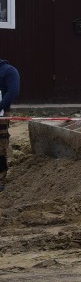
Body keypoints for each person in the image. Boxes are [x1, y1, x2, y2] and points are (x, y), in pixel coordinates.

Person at [0, 59, 21, 191]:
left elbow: (13, 91)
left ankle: (0, 177)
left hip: (1, 115)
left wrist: (0, 106)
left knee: (0, 146)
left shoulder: (8, 71)